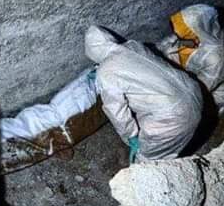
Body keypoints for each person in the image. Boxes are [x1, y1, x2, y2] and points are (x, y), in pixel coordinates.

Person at [84, 25, 204, 163]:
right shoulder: (133, 46)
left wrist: (131, 136)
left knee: (149, 156)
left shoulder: (106, 72)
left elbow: (117, 112)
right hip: (193, 92)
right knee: (174, 144)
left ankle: (144, 169)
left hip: (173, 114)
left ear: (92, 53)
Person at [157, 4, 224, 116]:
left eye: (182, 33)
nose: (176, 33)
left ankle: (219, 107)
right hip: (203, 66)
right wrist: (154, 51)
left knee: (188, 109)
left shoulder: (219, 58)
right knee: (168, 51)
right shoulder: (205, 31)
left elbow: (199, 89)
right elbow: (174, 39)